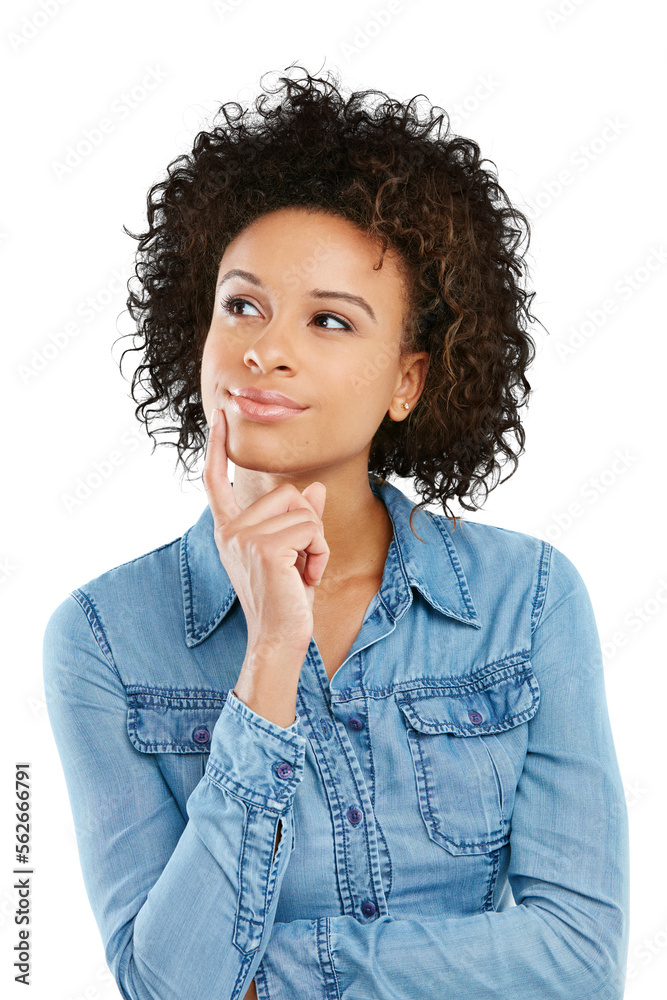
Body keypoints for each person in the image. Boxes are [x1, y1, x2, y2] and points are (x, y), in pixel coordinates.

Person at [42, 64, 629, 1000]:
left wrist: (276, 974)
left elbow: (577, 961)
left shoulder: (529, 599)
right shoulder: (105, 637)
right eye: (242, 305)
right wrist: (272, 648)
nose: (265, 347)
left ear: (408, 381)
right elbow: (168, 989)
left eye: (328, 320)